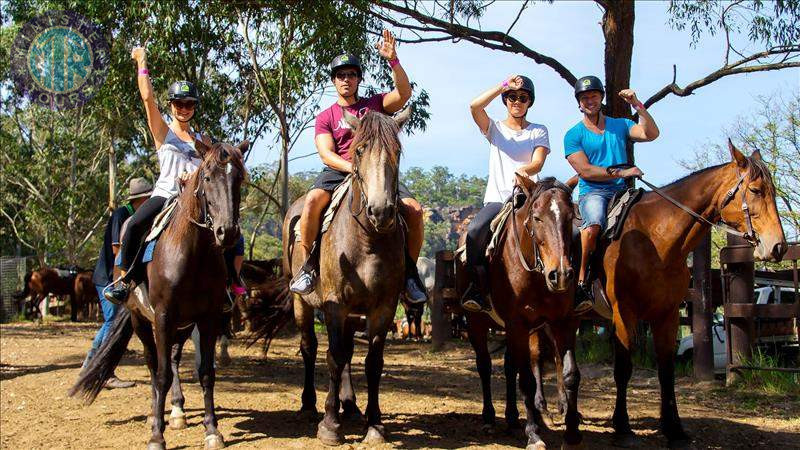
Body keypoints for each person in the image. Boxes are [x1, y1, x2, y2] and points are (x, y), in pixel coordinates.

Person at [288, 30, 427, 304]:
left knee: (415, 210)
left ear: (359, 79)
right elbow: (326, 154)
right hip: (340, 170)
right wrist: (353, 168)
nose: (346, 79)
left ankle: (409, 273)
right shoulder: (325, 117)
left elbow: (404, 94)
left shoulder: (375, 105)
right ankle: (308, 266)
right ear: (334, 81)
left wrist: (394, 61)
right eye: (341, 75)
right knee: (312, 201)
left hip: (379, 173)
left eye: (351, 74)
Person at [105, 46, 213, 303]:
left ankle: (230, 284)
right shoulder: (163, 132)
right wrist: (142, 61)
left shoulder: (204, 139)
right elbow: (146, 97)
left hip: (196, 200)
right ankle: (125, 281)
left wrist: (195, 177)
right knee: (132, 226)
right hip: (166, 195)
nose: (184, 108)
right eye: (179, 103)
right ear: (172, 105)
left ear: (194, 107)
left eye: (189, 104)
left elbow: (212, 170)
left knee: (229, 231)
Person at [564, 75, 660, 314]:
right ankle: (582, 281)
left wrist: (637, 105)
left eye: (593, 96)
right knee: (594, 224)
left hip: (623, 190)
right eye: (584, 98)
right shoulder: (573, 135)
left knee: (653, 220)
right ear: (579, 103)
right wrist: (622, 170)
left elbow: (651, 134)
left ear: (601, 98)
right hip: (594, 192)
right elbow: (585, 170)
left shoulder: (621, 125)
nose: (589, 101)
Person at [461, 75, 551, 313]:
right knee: (474, 231)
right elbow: (474, 106)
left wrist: (525, 170)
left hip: (529, 199)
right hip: (498, 199)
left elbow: (538, 162)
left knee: (563, 229)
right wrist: (502, 85)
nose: (517, 101)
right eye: (512, 97)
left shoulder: (538, 131)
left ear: (529, 102)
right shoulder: (495, 129)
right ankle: (477, 289)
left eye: (523, 98)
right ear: (505, 100)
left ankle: (568, 287)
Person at [82, 178, 153, 388]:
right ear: (143, 199)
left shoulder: (135, 215)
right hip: (109, 278)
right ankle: (94, 368)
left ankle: (97, 368)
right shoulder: (121, 215)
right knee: (112, 322)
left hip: (120, 277)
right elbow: (117, 249)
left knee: (117, 323)